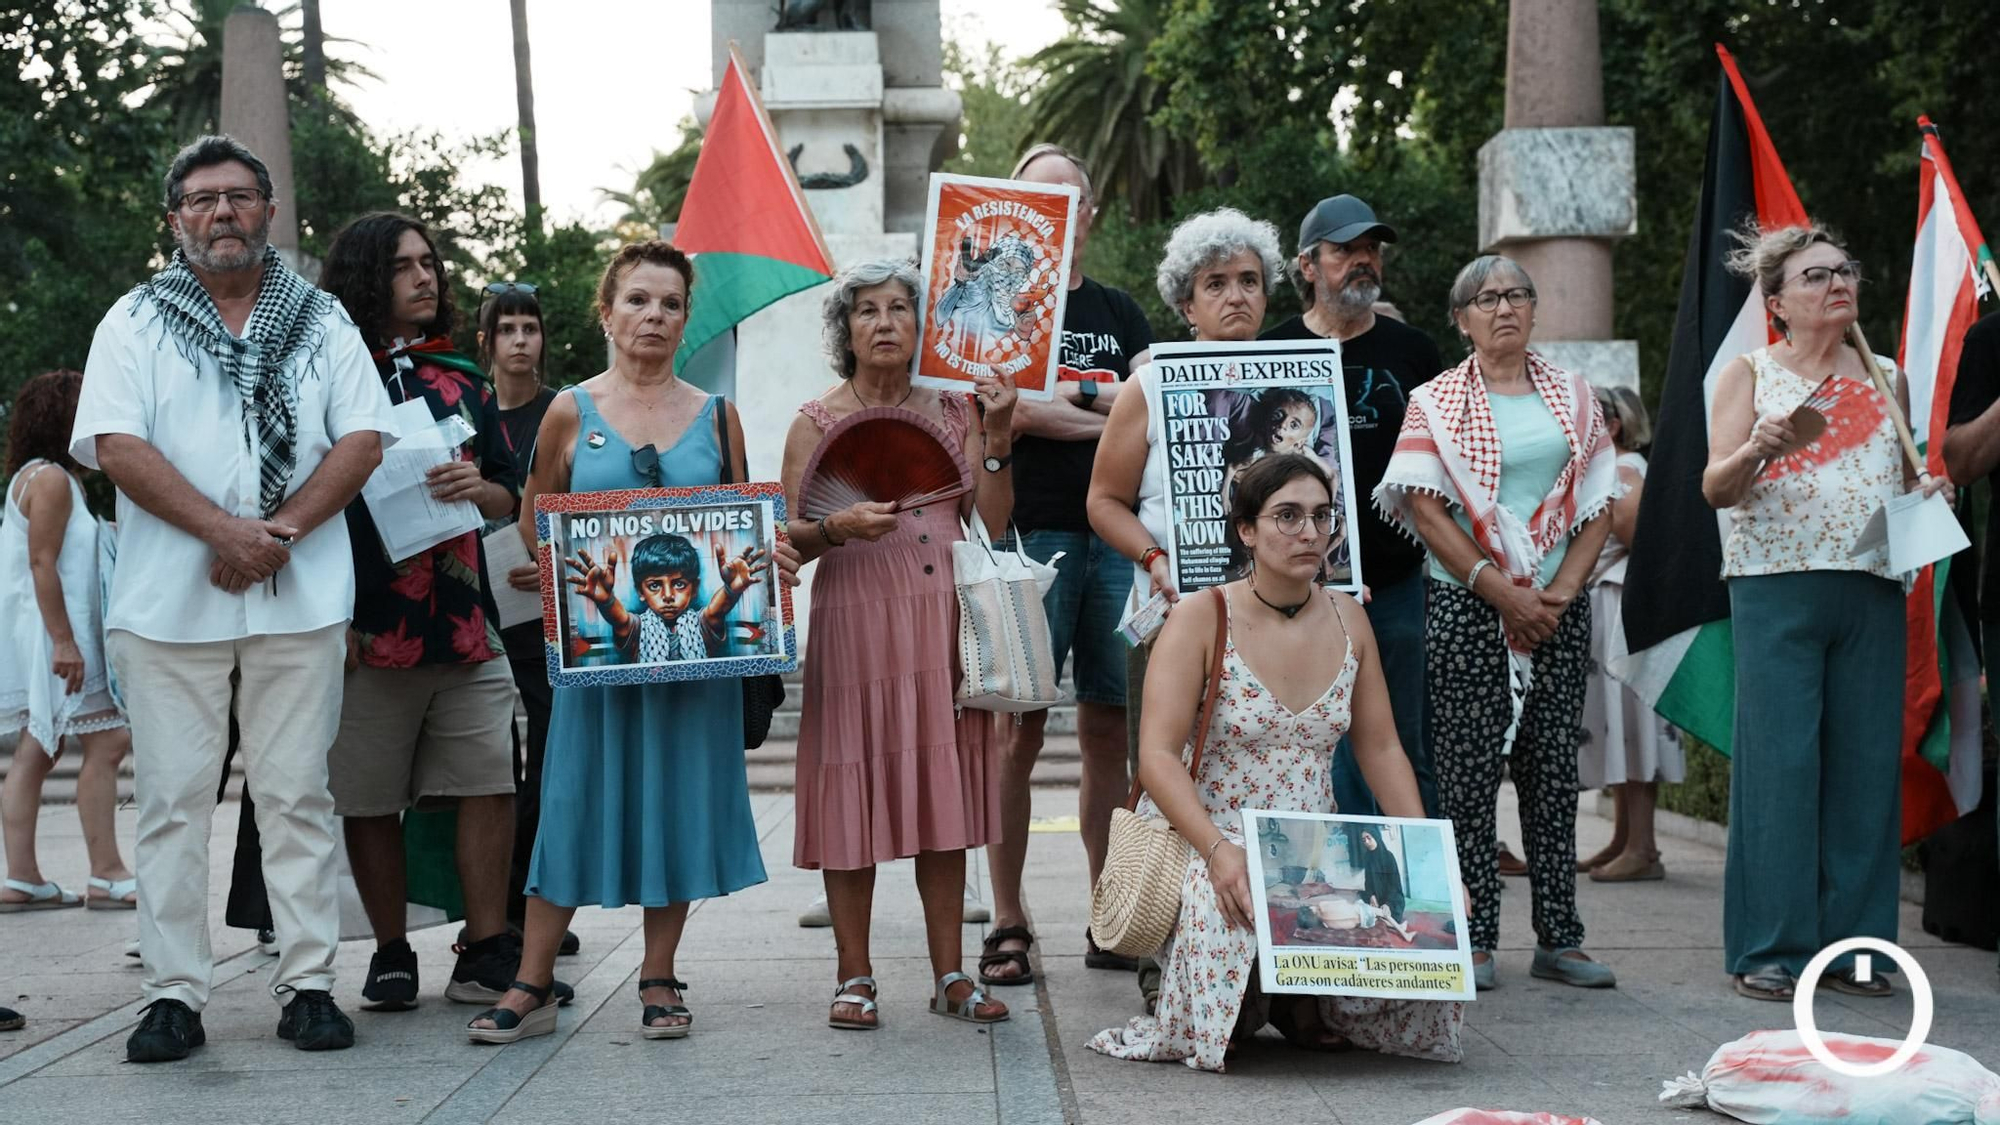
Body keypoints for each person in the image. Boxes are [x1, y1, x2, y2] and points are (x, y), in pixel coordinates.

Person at [73, 134, 395, 1061]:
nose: (222, 212)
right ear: (175, 219)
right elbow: (117, 445)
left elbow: (362, 438)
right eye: (203, 199)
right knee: (173, 802)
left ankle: (308, 985)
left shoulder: (322, 320)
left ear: (269, 211)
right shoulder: (133, 321)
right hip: (169, 606)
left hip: (299, 598)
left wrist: (275, 534)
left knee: (297, 795)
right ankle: (173, 994)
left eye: (240, 196)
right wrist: (225, 533)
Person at [467, 241, 794, 1044]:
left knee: (675, 807)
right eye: (639, 300)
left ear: (686, 319)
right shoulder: (570, 411)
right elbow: (534, 518)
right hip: (600, 661)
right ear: (607, 314)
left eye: (670, 303)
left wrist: (769, 556)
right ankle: (533, 981)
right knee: (568, 802)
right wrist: (563, 568)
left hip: (695, 664)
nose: (654, 315)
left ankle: (659, 975)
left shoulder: (719, 416)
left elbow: (744, 525)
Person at [1088, 455, 1461, 1072]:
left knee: (1411, 930)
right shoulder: (1201, 615)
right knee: (1229, 898)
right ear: (1246, 531)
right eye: (1287, 516)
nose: (1309, 532)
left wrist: (1429, 861)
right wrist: (1217, 850)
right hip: (1208, 825)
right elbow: (1156, 755)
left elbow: (1381, 748)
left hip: (1314, 835)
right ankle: (1231, 997)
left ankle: (1297, 998)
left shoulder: (1350, 617)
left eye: (1321, 516)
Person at [1705, 223, 1945, 1001]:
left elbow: (1899, 483)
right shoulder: (1748, 373)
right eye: (1816, 275)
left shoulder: (1887, 375)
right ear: (1777, 302)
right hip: (1775, 586)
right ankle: (1773, 948)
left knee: (1866, 770)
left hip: (1871, 585)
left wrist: (1926, 493)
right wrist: (1756, 448)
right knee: (1780, 767)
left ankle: (1859, 950)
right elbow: (1715, 488)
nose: (1839, 283)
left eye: (1845, 270)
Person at [782, 258, 1017, 1031]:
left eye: (899, 308)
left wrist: (998, 436)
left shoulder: (955, 409)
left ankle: (951, 974)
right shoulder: (815, 421)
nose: (885, 322)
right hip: (855, 622)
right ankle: (854, 975)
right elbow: (787, 542)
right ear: (844, 331)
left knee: (941, 796)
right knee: (851, 791)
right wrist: (834, 526)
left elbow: (992, 518)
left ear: (921, 327)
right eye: (867, 310)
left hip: (942, 620)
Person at [1376, 254, 1619, 993]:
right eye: (1486, 299)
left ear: (1535, 309)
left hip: (1556, 608)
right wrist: (1499, 591)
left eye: (1516, 294)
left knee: (1553, 771)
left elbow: (1599, 500)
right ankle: (1474, 934)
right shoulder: (1436, 401)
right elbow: (1424, 509)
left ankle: (1561, 937)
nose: (1504, 307)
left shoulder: (1575, 396)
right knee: (1466, 774)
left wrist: (1557, 593)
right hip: (1465, 604)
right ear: (1461, 319)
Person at [316, 212, 528, 1015]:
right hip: (370, 629)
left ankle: (485, 948)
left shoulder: (463, 378)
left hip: (467, 624)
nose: (425, 276)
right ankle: (391, 952)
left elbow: (510, 487)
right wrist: (331, 618)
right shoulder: (332, 376)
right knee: (369, 796)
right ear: (367, 278)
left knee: (489, 783)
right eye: (404, 265)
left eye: (430, 263)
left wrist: (486, 491)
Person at [1087, 206, 1284, 1014]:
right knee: (1169, 780)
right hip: (1175, 616)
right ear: (1185, 302)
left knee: (1274, 782)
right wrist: (1155, 558)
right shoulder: (1151, 382)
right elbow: (1104, 500)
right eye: (1216, 283)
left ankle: (1281, 973)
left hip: (1281, 622)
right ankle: (1163, 966)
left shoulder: (1301, 381)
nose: (1236, 296)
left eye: (1249, 281)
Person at [981, 143, 1154, 986]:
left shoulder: (1121, 310)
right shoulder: (996, 305)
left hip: (1118, 540)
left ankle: (1110, 912)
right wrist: (1110, 408)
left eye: (1069, 200)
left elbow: (1154, 405)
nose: (1055, 215)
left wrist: (1064, 403)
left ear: (1088, 214)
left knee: (1111, 731)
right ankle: (1007, 918)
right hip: (1028, 535)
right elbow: (1011, 421)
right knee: (1015, 729)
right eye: (1037, 200)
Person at [1262, 194, 1444, 818]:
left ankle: (1420, 876)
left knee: (1404, 742)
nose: (1363, 260)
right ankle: (1330, 877)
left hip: (1396, 583)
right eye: (1344, 250)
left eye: (1371, 249)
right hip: (1299, 585)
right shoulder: (1270, 348)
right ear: (1308, 266)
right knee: (1315, 743)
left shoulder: (1414, 350)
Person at [2, 370, 135, 913]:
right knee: (107, 743)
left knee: (41, 748)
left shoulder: (41, 477)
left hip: (49, 634)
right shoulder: (52, 480)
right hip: (57, 637)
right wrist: (64, 643)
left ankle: (24, 878)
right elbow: (42, 563)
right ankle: (106, 873)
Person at [476, 281, 576, 954]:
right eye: (507, 328)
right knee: (485, 760)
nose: (520, 340)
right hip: (470, 602)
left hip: (544, 604)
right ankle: (487, 913)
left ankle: (533, 906)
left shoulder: (562, 411)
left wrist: (551, 561)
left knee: (548, 755)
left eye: (530, 327)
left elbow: (590, 502)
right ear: (485, 340)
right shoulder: (467, 411)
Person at [1576, 383, 1681, 882]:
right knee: (1618, 724)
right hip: (1612, 607)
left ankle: (1643, 846)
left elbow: (1639, 536)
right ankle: (1625, 839)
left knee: (1632, 723)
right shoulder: (1615, 468)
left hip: (1622, 608)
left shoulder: (1624, 471)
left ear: (1613, 426)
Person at [1357, 827, 1407, 922]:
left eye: (1368, 838)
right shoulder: (1367, 857)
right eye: (1363, 840)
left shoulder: (1388, 857)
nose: (1366, 842)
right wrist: (1371, 896)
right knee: (1360, 899)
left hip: (1390, 896)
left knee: (1394, 908)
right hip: (1376, 896)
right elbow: (1368, 881)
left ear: (1376, 837)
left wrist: (1388, 904)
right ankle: (1384, 918)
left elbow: (1394, 885)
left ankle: (1385, 918)